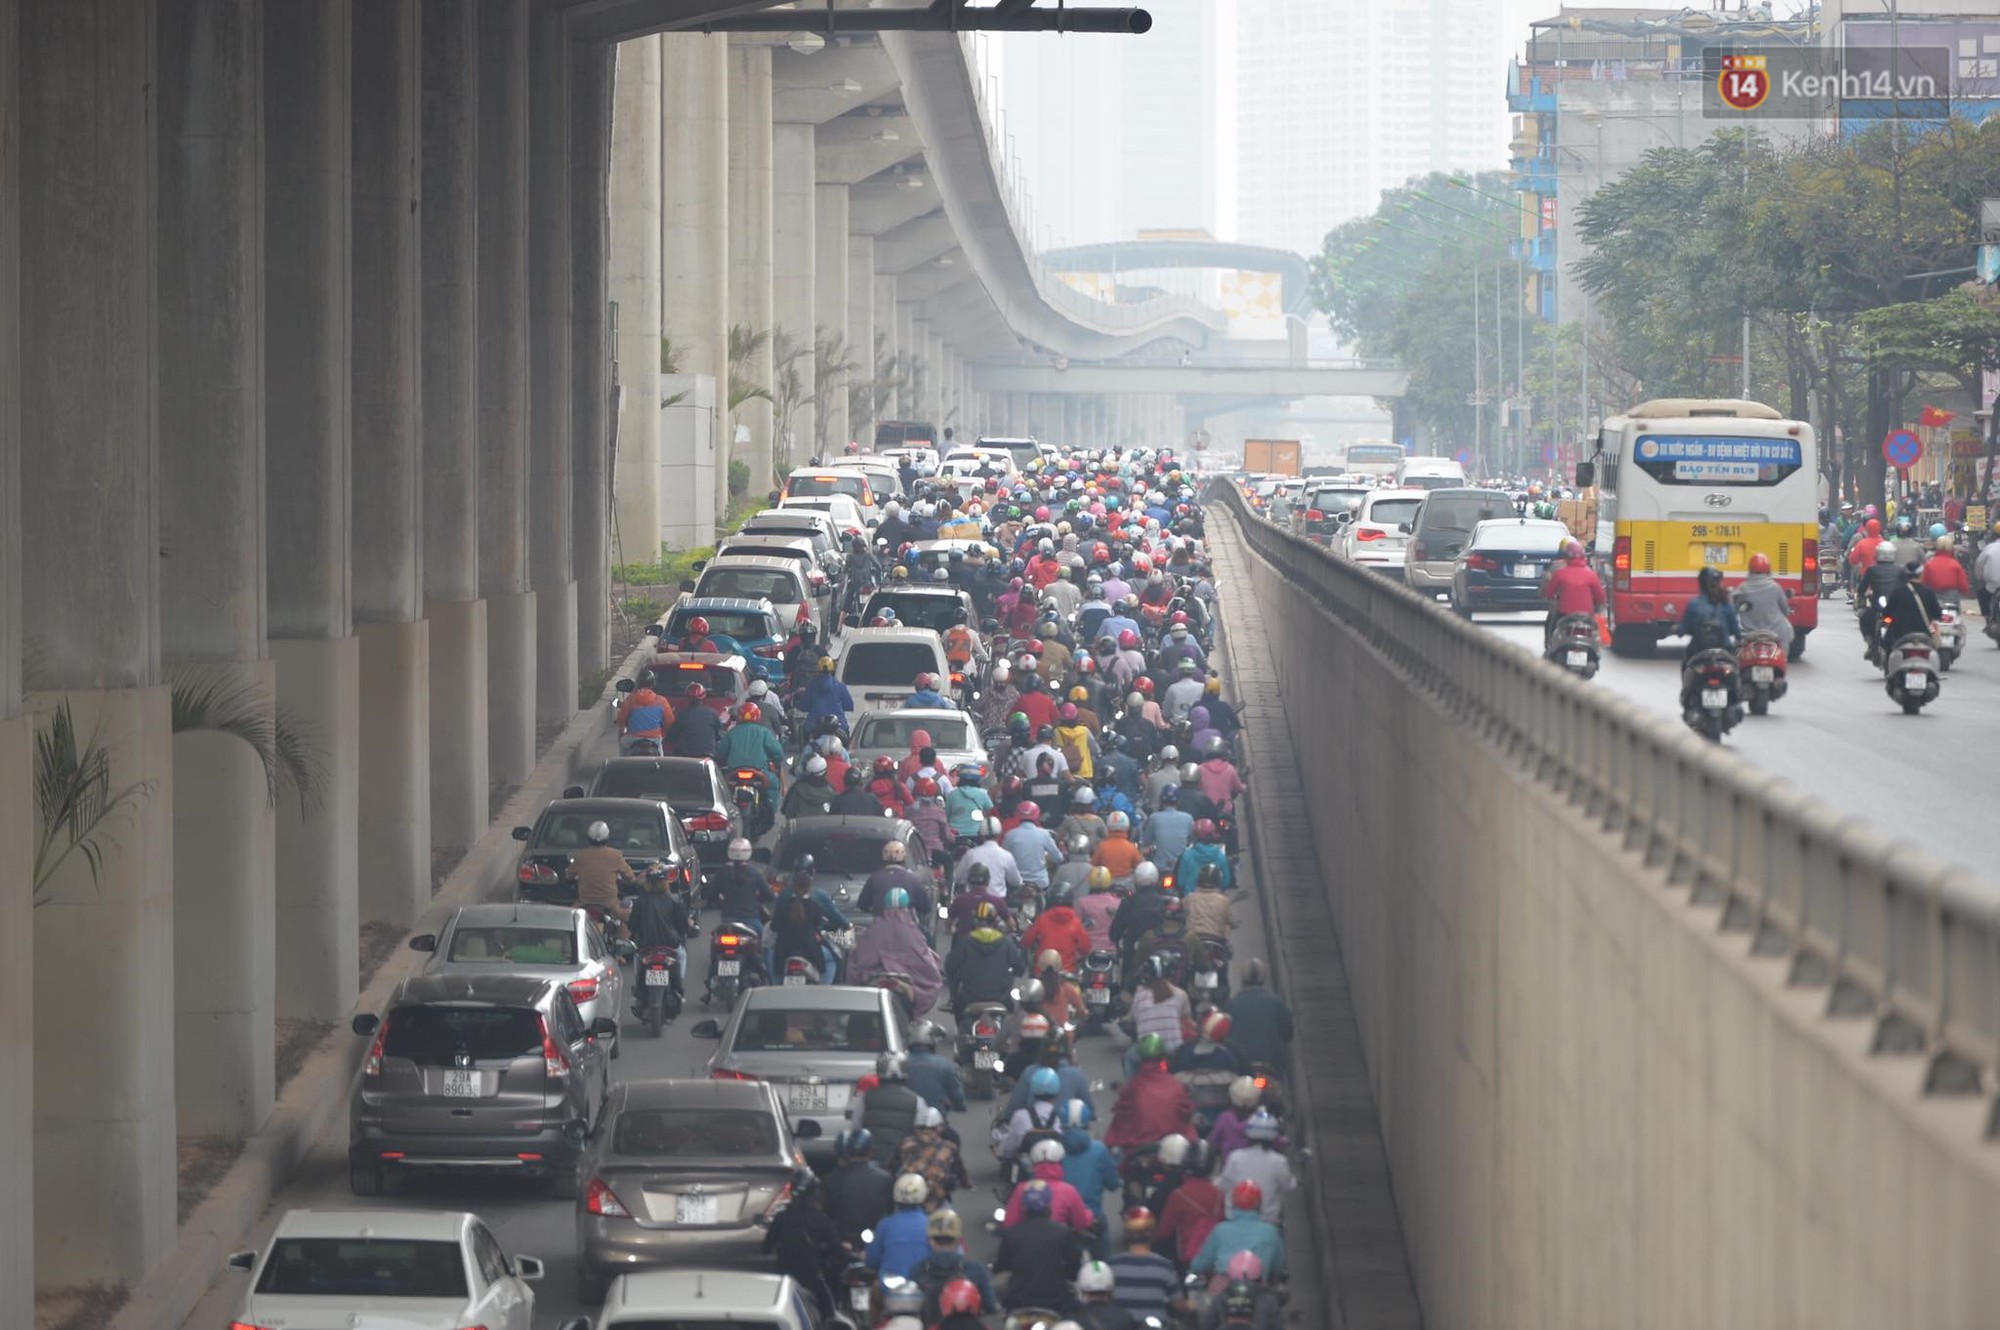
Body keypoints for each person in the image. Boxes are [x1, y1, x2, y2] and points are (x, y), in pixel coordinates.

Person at [848, 888, 944, 1018]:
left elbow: (861, 956)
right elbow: (922, 959)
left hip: (874, 978)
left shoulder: (874, 928)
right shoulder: (913, 931)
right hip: (905, 982)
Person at [761, 1168, 843, 1318]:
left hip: (784, 1276)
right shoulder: (821, 1219)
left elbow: (765, 1248)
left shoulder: (781, 1218)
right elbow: (836, 1249)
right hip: (812, 1276)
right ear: (814, 1192)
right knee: (830, 1311)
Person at [994, 1181, 1087, 1312]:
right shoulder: (1063, 1233)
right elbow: (1074, 1268)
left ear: (1024, 1206)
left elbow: (1001, 1267)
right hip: (1056, 1301)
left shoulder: (1012, 1234)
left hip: (1019, 1302)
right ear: (1048, 1203)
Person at [1106, 1033, 1196, 1151]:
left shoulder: (1133, 1086)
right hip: (1174, 1147)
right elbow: (1186, 1115)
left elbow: (1121, 1119)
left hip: (1139, 1146)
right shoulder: (1175, 1085)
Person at [907, 1211, 998, 1323]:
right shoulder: (975, 1269)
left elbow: (910, 1306)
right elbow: (990, 1306)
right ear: (958, 1240)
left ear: (930, 1241)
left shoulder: (918, 1270)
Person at [1189, 1182, 1286, 1286]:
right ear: (1259, 1204)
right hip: (1258, 1286)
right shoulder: (1270, 1231)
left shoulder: (1220, 1230)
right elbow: (1279, 1265)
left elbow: (1201, 1264)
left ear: (1233, 1204)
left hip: (1224, 1285)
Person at [770, 860, 849, 985]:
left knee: (772, 964)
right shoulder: (815, 902)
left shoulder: (783, 898)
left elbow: (774, 926)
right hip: (810, 950)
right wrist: (846, 925)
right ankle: (824, 989)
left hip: (783, 950)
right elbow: (822, 922)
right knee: (833, 960)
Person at [944, 899, 1026, 1014]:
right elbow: (1020, 968)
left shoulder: (965, 942)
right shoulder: (1006, 942)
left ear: (974, 922)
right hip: (1001, 998)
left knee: (957, 1009)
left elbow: (950, 966)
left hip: (970, 998)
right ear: (995, 922)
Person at [1156, 1142, 1226, 1271]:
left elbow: (1164, 1232)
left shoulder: (1179, 1195)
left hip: (1187, 1259)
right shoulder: (1219, 1195)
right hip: (1214, 1259)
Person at [626, 861, 691, 997]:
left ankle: (639, 987)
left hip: (645, 946)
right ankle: (678, 986)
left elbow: (632, 925)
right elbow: (684, 926)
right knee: (682, 956)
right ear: (665, 882)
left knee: (637, 958)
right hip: (671, 945)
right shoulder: (675, 901)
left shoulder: (640, 902)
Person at [1216, 1111, 1293, 1224]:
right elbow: (1287, 1186)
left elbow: (1224, 1185)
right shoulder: (1279, 1161)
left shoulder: (1235, 1157)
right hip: (1268, 1220)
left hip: (1234, 1219)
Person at [1105, 1209, 1178, 1323]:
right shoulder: (1165, 1266)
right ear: (1152, 1233)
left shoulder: (1111, 1265)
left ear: (1126, 1233)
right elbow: (1177, 1304)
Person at [864, 1173, 936, 1290]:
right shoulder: (932, 1224)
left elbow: (872, 1260)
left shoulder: (885, 1225)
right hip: (923, 1288)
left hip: (890, 1290)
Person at [823, 1128, 895, 1245]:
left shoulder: (831, 1180)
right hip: (874, 1239)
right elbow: (890, 1212)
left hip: (841, 1241)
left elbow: (827, 1213)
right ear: (870, 1151)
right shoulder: (885, 1179)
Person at [892, 1102, 970, 1208]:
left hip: (910, 1199)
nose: (926, 1132)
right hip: (933, 1201)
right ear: (939, 1128)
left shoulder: (905, 1145)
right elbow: (960, 1172)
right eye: (923, 1129)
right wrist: (965, 1183)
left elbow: (892, 1168)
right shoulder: (948, 1147)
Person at [1224, 959, 1293, 1075]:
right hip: (1271, 1064)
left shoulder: (1231, 1004)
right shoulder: (1277, 1002)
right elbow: (1288, 1033)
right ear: (1263, 978)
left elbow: (1224, 1035)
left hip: (1240, 1064)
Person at [1541, 539, 1605, 647]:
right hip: (1587, 615)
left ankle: (1549, 644)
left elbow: (1549, 592)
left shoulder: (1560, 573)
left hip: (1564, 614)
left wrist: (1553, 600)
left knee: (1551, 625)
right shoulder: (1591, 574)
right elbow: (1600, 597)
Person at [572, 820, 635, 927]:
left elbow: (569, 875)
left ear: (588, 839)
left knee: (569, 920)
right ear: (607, 838)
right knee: (628, 920)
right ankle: (621, 937)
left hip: (584, 902)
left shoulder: (579, 855)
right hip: (611, 904)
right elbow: (630, 877)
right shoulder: (615, 855)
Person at [1731, 553, 1794, 654]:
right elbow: (1785, 611)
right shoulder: (1775, 587)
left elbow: (1733, 611)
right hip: (1775, 633)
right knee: (1783, 650)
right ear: (1768, 570)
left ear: (1750, 570)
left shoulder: (1742, 588)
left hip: (1750, 634)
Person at [902, 1019, 968, 1115]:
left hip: (906, 1117)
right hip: (935, 1117)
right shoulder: (945, 1065)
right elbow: (957, 1095)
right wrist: (960, 1106)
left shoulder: (900, 1064)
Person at [858, 839, 932, 918]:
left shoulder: (875, 878)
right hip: (906, 923)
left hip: (880, 923)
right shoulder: (911, 879)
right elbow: (925, 907)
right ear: (904, 857)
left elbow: (862, 905)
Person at [1025, 892, 1094, 975]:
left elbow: (1027, 941)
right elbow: (1084, 948)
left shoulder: (1042, 919)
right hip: (1067, 971)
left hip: (1042, 971)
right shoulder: (1076, 923)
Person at [709, 837, 772, 926]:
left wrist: (722, 902)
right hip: (750, 919)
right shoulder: (754, 873)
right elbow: (769, 895)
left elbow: (711, 895)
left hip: (728, 920)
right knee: (763, 933)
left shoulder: (722, 873)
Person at [666, 682, 724, 757]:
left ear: (687, 697)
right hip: (708, 756)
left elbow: (670, 736)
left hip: (686, 756)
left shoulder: (683, 714)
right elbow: (719, 735)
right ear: (704, 696)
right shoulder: (713, 713)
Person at [1175, 821, 1232, 895]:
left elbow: (1181, 882)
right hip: (1214, 898)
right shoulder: (1220, 856)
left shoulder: (1187, 856)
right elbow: (1225, 882)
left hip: (1191, 898)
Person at [800, 656, 854, 730]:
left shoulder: (812, 686)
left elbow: (804, 706)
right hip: (839, 726)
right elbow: (849, 705)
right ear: (833, 671)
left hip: (814, 727)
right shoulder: (840, 686)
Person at [618, 677, 671, 752]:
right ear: (653, 685)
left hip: (633, 738)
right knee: (660, 754)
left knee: (622, 743)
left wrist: (622, 730)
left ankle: (622, 760)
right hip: (654, 739)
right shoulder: (662, 701)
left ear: (638, 684)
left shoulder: (630, 699)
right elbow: (669, 721)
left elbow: (621, 719)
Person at [781, 752, 838, 820]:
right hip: (824, 825)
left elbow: (788, 811)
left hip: (801, 825)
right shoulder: (831, 792)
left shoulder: (797, 789)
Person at [1920, 535, 1971, 599]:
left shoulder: (1929, 564)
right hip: (1952, 597)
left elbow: (1924, 583)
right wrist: (1965, 591)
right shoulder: (1955, 565)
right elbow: (1963, 585)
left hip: (1934, 596)